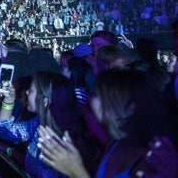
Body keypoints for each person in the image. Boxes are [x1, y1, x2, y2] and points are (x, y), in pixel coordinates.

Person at [38, 67, 178, 178]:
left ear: (120, 105)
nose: (92, 100)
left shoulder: (153, 158)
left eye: (98, 95)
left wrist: (75, 170)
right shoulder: (115, 143)